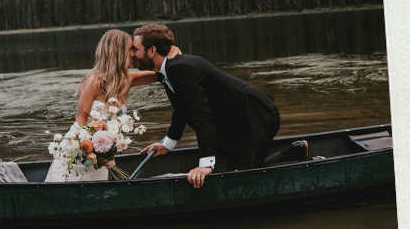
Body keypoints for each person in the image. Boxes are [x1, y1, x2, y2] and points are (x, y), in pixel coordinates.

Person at [132, 24, 307, 189]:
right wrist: (167, 144)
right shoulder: (167, 70)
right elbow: (181, 109)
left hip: (257, 117)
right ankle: (297, 150)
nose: (133, 54)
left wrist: (205, 165)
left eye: (136, 49)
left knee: (241, 178)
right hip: (235, 124)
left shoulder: (180, 67)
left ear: (152, 50)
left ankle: (295, 152)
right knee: (236, 172)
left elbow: (201, 115)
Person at [45, 29, 180, 182]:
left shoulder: (129, 79)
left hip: (102, 156)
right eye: (130, 49)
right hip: (79, 153)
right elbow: (80, 122)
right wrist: (90, 151)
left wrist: (172, 55)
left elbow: (164, 72)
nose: (133, 54)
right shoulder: (94, 82)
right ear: (118, 52)